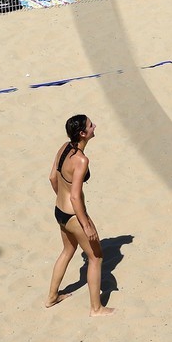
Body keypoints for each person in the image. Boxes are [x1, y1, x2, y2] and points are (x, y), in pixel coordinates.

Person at [44, 115, 115, 316]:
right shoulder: (81, 160)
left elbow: (52, 178)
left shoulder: (64, 147)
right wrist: (87, 225)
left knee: (68, 250)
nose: (94, 126)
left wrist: (61, 199)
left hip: (59, 210)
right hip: (74, 215)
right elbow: (75, 197)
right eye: (90, 125)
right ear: (83, 133)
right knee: (96, 257)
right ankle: (96, 308)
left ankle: (51, 297)